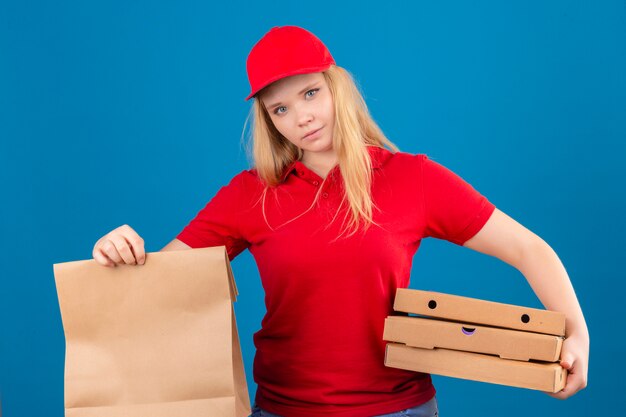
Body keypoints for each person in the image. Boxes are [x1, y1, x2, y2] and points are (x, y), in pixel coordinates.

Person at [92, 26, 589, 417]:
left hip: (399, 409)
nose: (301, 118)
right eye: (280, 108)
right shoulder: (251, 194)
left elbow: (530, 250)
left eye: (310, 94)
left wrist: (578, 337)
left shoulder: (412, 178)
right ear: (269, 119)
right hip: (281, 410)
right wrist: (119, 253)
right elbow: (157, 283)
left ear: (336, 86)